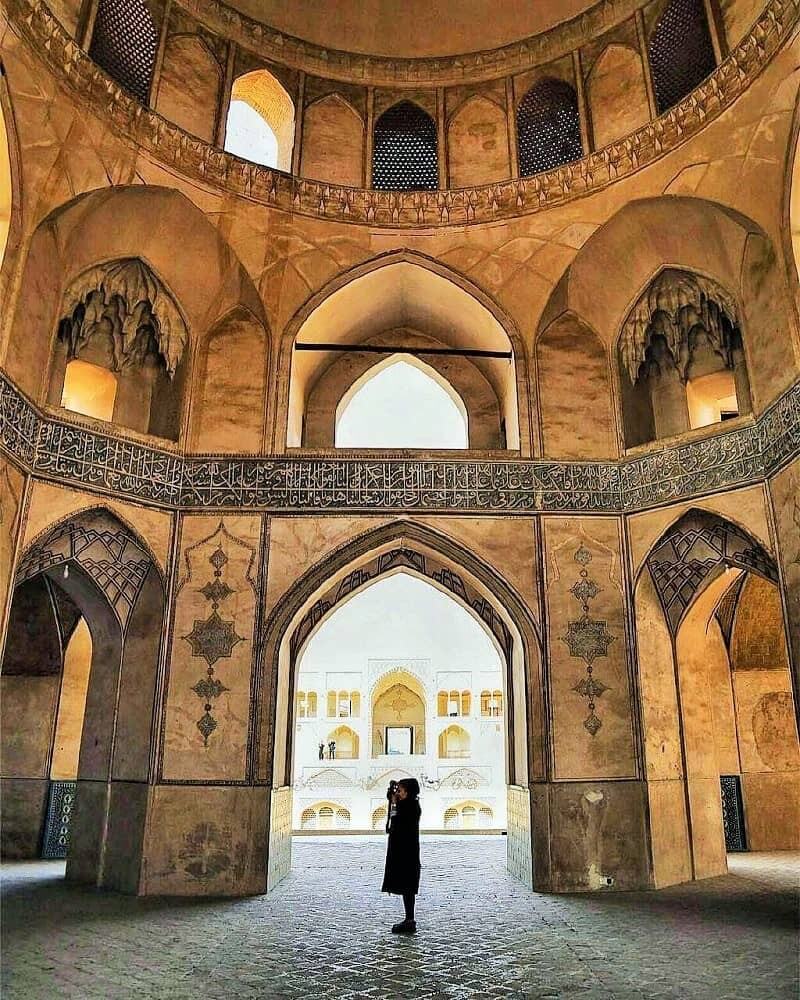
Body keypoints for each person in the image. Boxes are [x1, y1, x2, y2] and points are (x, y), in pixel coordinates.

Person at [381, 778, 421, 934]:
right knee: (406, 886)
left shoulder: (410, 807)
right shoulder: (408, 805)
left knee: (408, 885)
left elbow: (397, 821)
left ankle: (410, 920)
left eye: (401, 790)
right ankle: (409, 919)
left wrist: (394, 803)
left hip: (406, 851)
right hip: (404, 850)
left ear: (408, 791)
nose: (398, 793)